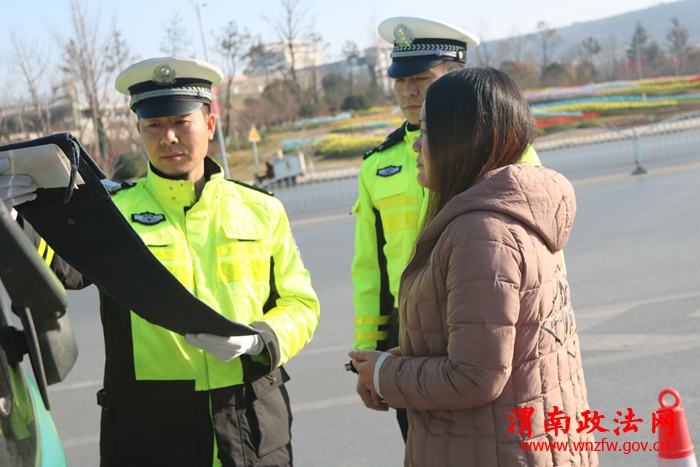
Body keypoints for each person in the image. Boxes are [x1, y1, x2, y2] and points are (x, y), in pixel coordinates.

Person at [4, 57, 320, 467]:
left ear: (209, 124)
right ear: (139, 131)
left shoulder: (262, 209)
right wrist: (14, 218)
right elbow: (63, 267)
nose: (168, 137)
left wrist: (262, 339)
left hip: (252, 424)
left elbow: (301, 304)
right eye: (153, 125)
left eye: (180, 122)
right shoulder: (112, 213)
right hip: (151, 433)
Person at [349, 67, 596, 466]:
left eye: (427, 131)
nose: (416, 145)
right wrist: (397, 357)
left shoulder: (482, 234)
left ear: (463, 139)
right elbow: (494, 339)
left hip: (493, 448)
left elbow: (474, 376)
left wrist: (384, 374)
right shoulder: (510, 210)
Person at [349, 16, 542, 441]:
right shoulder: (377, 165)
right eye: (400, 81)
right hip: (410, 337)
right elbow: (370, 270)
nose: (408, 91)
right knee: (429, 445)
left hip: (492, 322)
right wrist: (369, 354)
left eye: (422, 79)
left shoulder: (503, 145)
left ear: (457, 79)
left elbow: (543, 251)